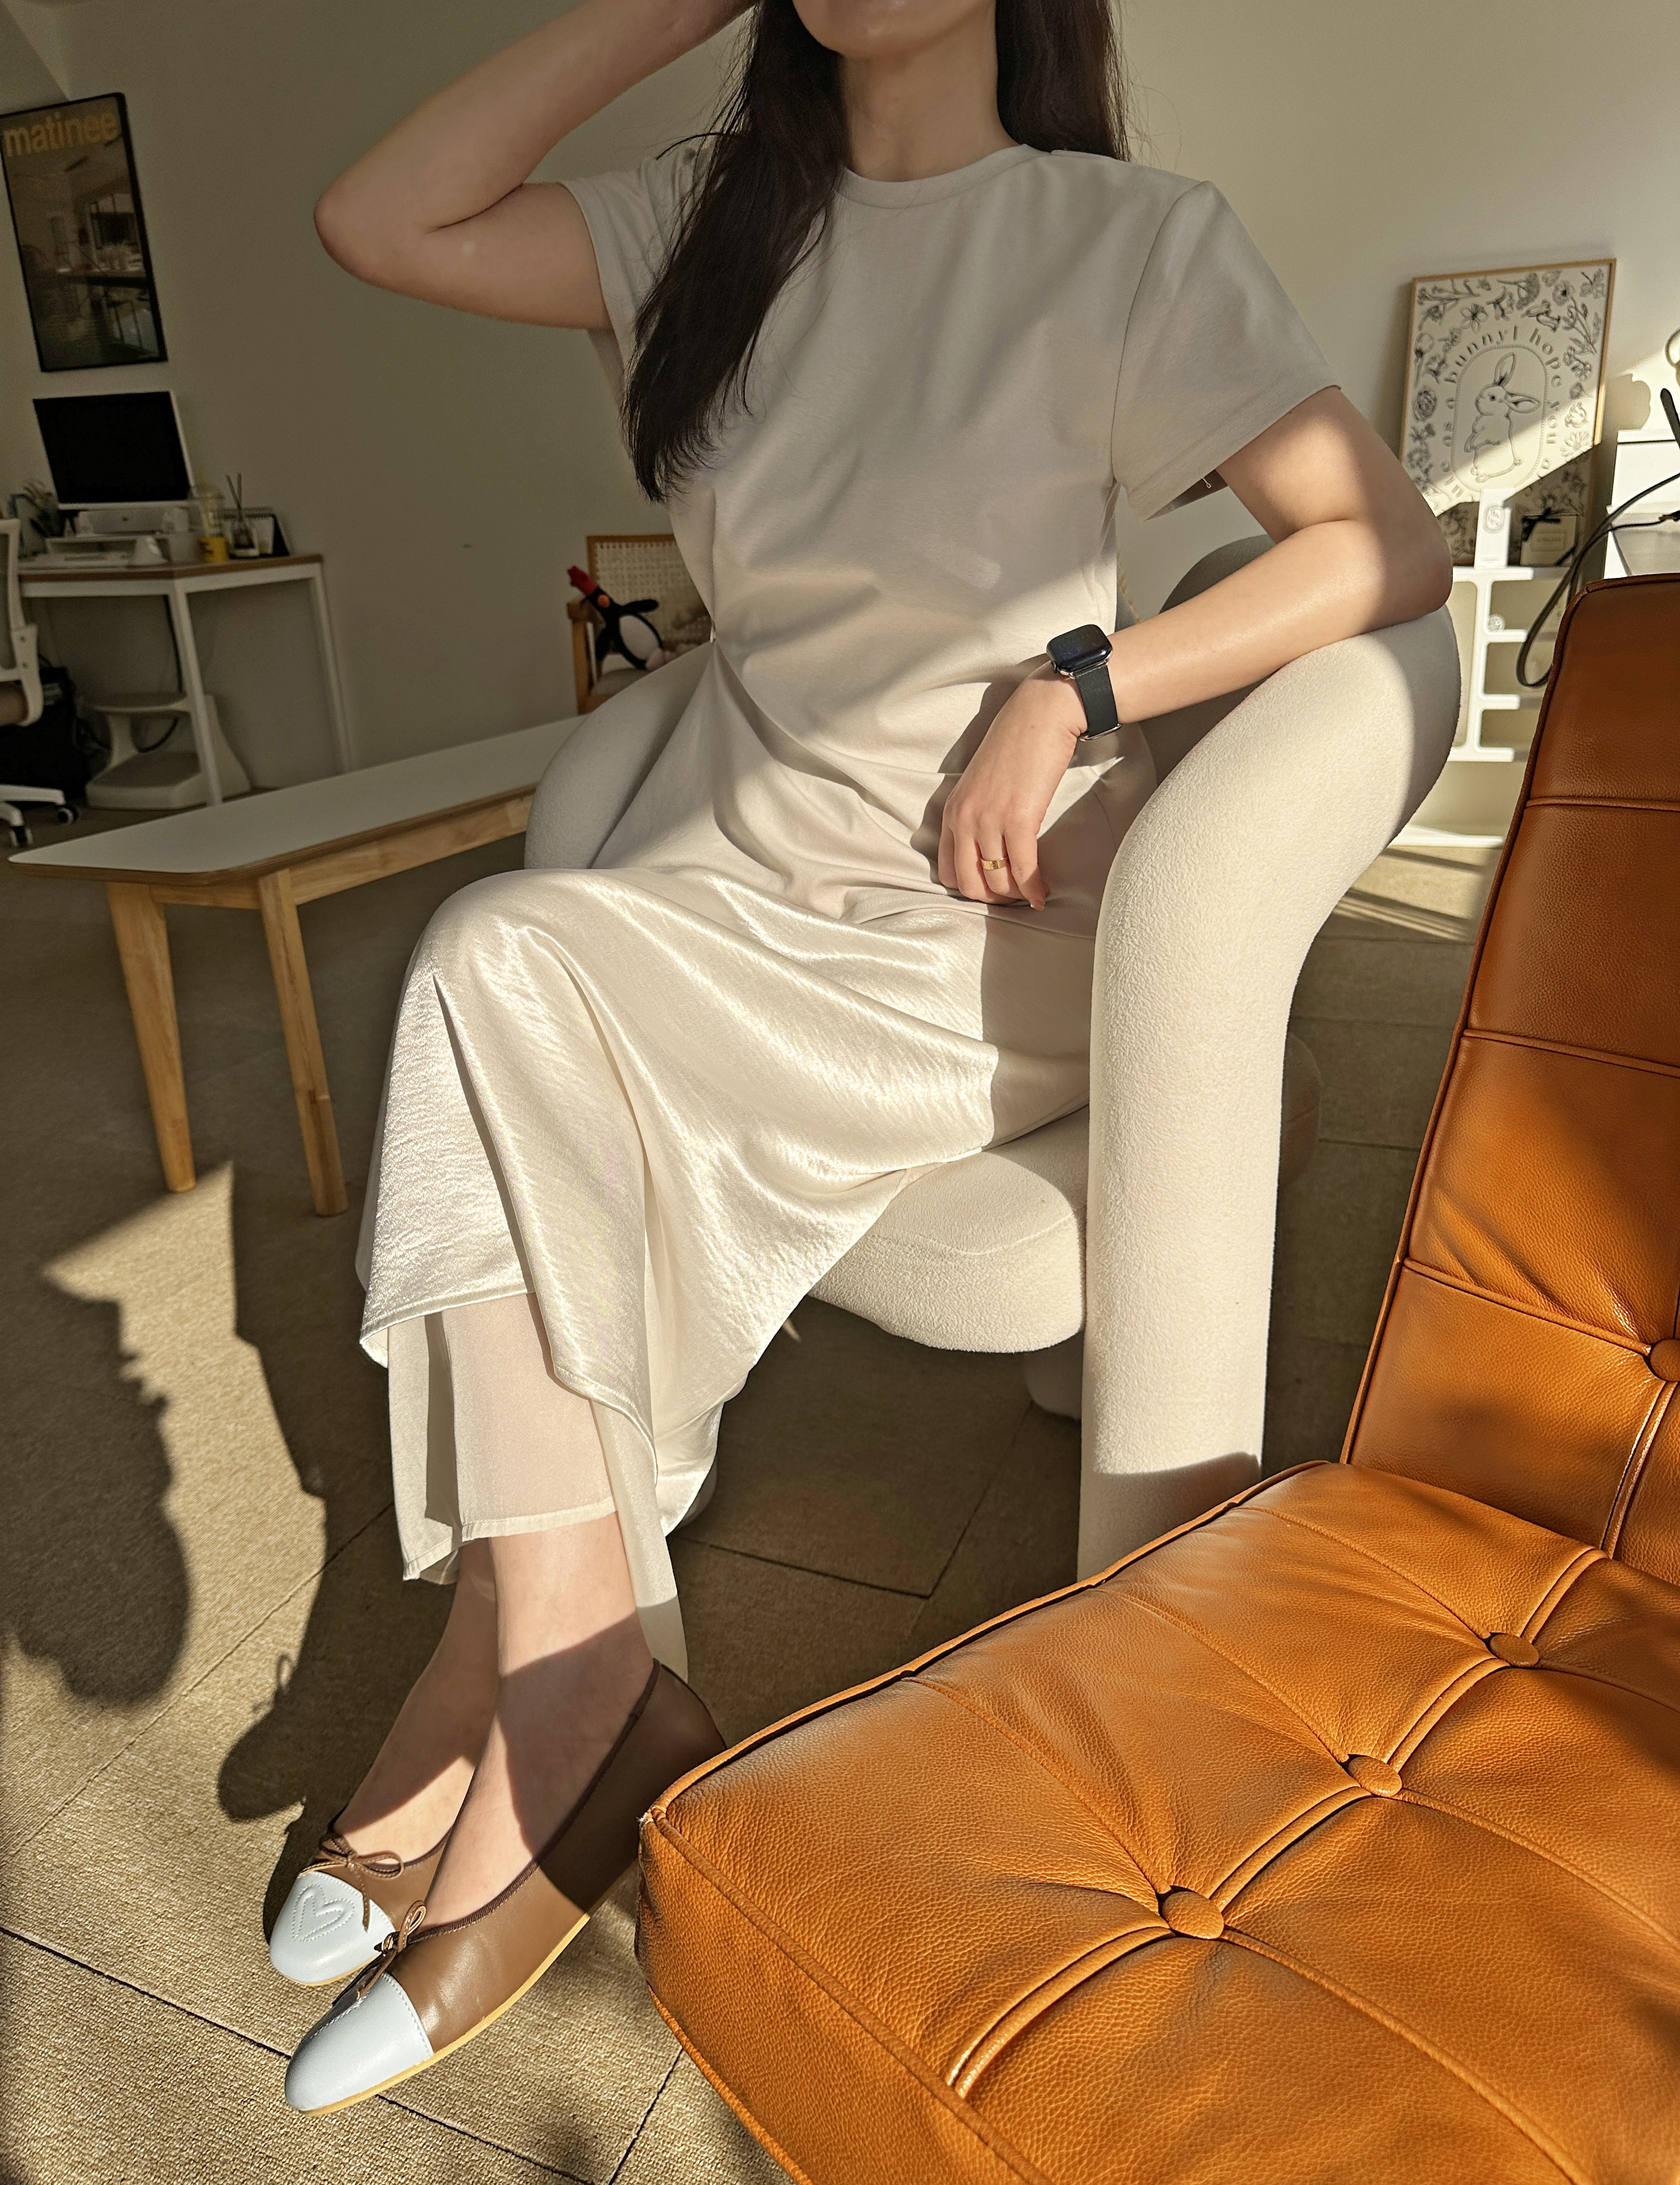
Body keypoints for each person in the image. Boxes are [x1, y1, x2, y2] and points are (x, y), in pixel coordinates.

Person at [276, 0, 1451, 2113]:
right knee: (489, 966)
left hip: (974, 935)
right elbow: (379, 219)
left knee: (492, 980)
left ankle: (534, 1689)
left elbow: (1388, 546)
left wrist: (1079, 684)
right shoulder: (707, 225)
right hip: (727, 906)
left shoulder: (1121, 238)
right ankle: (545, 1671)